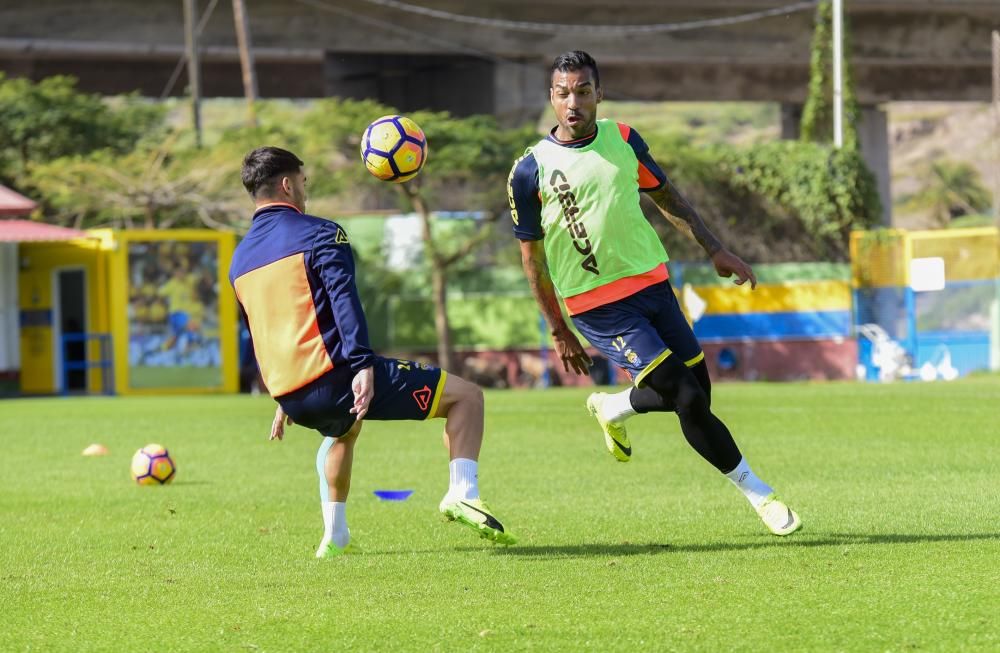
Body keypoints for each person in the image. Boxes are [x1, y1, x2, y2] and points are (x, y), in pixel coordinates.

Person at [507, 51, 801, 536]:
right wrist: (558, 328)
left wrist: (715, 250)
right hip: (597, 306)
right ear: (551, 99)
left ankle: (613, 406)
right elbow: (531, 260)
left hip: (653, 285)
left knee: (698, 398)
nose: (573, 102)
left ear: (599, 94)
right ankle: (761, 495)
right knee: (684, 395)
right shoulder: (530, 170)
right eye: (563, 93)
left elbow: (667, 196)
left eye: (583, 91)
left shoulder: (623, 138)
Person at [231, 146, 515, 558]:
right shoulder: (319, 233)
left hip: (292, 393)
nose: (305, 194)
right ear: (288, 185)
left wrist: (281, 395)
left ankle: (336, 536)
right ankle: (462, 493)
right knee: (467, 397)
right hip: (336, 378)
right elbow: (344, 302)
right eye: (304, 185)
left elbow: (262, 328)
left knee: (343, 430)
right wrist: (362, 364)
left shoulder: (239, 261)